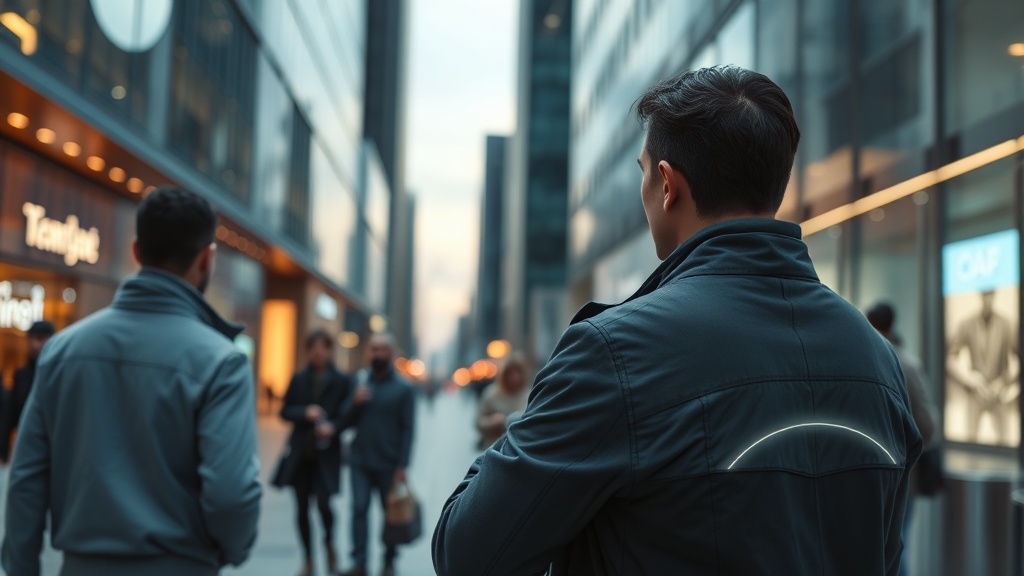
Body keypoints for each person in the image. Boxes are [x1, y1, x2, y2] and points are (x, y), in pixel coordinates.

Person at [433, 66, 921, 576]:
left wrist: (527, 423)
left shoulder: (616, 354)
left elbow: (467, 553)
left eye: (643, 172)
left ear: (667, 185)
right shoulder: (876, 357)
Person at [2, 187, 262, 576]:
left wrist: (22, 568)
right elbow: (230, 494)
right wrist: (229, 552)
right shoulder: (221, 362)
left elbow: (26, 480)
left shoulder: (61, 351)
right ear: (207, 258)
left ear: (137, 251)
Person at [272, 329, 353, 576]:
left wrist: (333, 427)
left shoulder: (341, 380)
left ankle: (329, 543)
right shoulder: (299, 378)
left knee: (325, 505)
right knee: (301, 509)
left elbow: (348, 416)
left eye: (322, 347)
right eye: (313, 347)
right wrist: (304, 412)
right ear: (308, 350)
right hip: (301, 456)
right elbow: (284, 411)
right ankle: (308, 559)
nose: (318, 352)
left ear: (329, 349)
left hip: (327, 456)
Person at [866, 303, 937, 576]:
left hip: (877, 471)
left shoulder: (871, 359)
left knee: (885, 547)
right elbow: (927, 424)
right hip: (903, 471)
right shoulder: (906, 363)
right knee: (895, 546)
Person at [342, 333, 415, 576]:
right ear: (368, 352)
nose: (378, 353)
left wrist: (402, 465)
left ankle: (389, 562)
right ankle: (359, 563)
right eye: (374, 349)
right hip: (360, 460)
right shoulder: (360, 382)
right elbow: (344, 421)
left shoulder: (404, 388)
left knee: (390, 514)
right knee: (359, 509)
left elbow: (408, 429)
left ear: (391, 353)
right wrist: (354, 403)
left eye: (383, 349)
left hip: (389, 463)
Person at [946, 290, 1019, 443]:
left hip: (999, 393)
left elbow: (1016, 360)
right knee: (970, 441)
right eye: (986, 294)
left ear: (995, 295)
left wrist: (1003, 382)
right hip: (976, 392)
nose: (988, 299)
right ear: (981, 296)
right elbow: (951, 360)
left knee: (1005, 443)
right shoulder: (967, 324)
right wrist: (970, 379)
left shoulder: (1006, 324)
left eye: (991, 294)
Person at [0, 320, 56, 463]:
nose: (34, 345)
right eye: (31, 338)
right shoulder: (22, 375)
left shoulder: (58, 374)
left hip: (53, 447)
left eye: (40, 338)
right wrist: (4, 452)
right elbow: (9, 415)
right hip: (26, 445)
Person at [475, 353, 529, 448]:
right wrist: (492, 422)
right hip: (494, 447)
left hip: (519, 448)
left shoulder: (528, 395)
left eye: (517, 372)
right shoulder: (491, 394)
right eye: (510, 373)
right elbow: (478, 422)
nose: (514, 377)